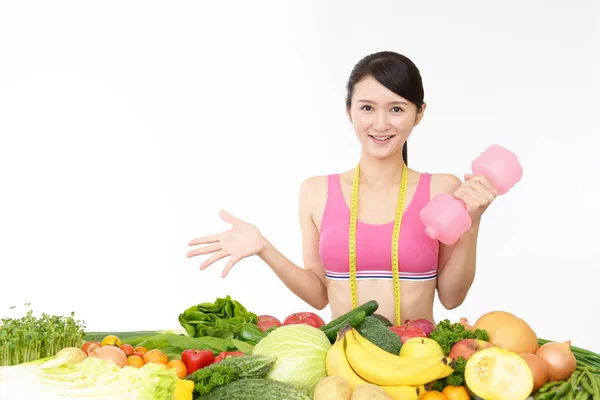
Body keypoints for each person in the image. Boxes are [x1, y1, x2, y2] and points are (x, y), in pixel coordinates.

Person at [186, 51, 498, 326]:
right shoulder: (315, 192)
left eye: (397, 109)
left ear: (420, 113)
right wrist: (264, 248)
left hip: (420, 360)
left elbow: (452, 298)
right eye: (367, 108)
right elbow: (319, 295)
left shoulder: (441, 189)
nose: (380, 124)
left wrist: (472, 225)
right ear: (348, 110)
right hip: (343, 361)